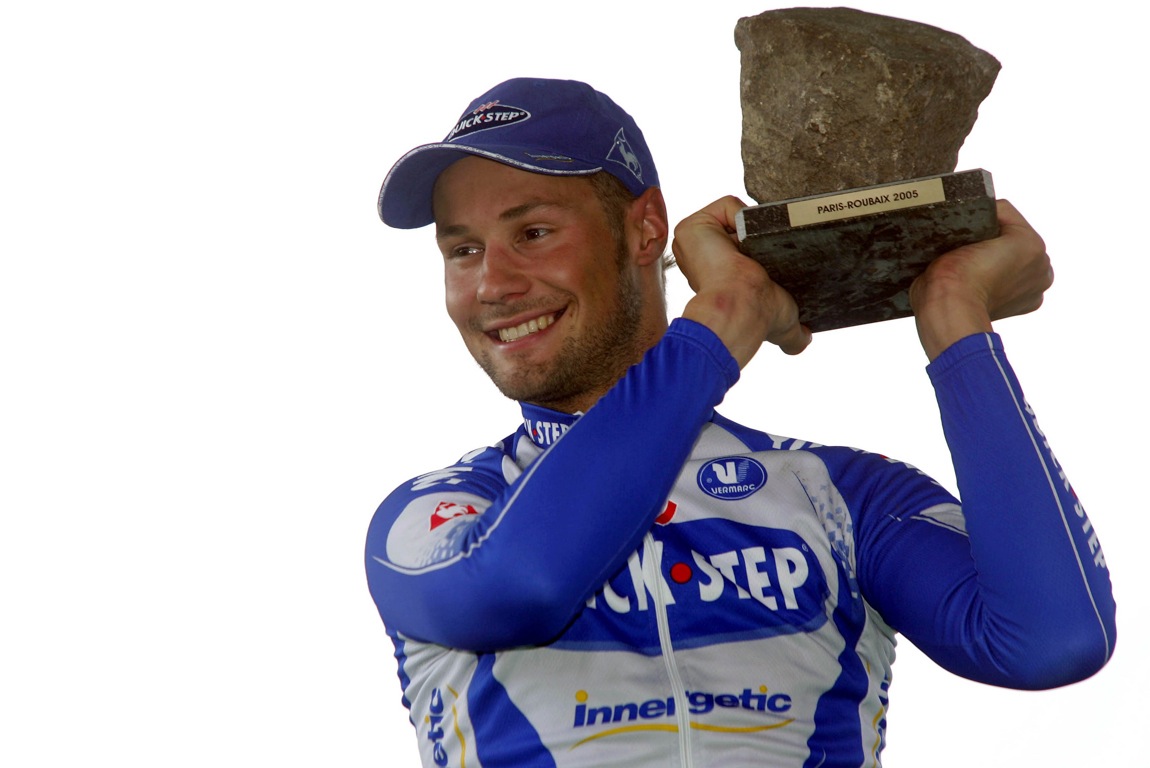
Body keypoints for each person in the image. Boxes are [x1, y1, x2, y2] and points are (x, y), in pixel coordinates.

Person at [365, 77, 1116, 768]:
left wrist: (957, 318)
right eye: (463, 250)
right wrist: (719, 327)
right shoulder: (439, 516)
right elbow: (521, 584)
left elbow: (1054, 638)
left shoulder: (838, 493)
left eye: (532, 234)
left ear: (644, 230)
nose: (492, 283)